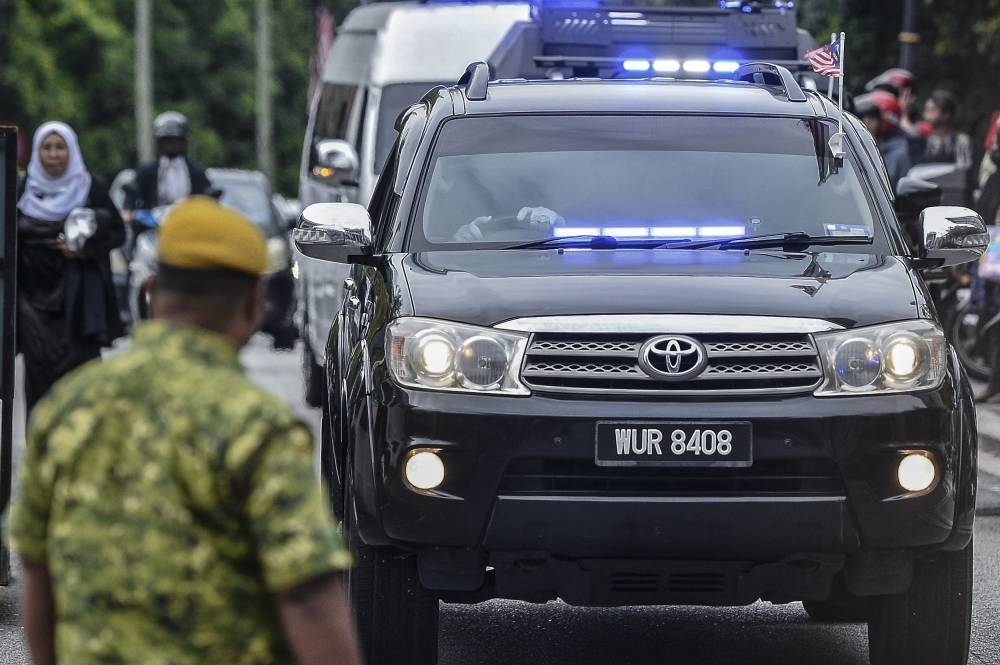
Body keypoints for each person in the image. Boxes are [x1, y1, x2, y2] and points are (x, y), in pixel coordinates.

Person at [9, 196, 363, 665]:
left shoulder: (68, 408)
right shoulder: (257, 429)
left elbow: (37, 569)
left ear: (151, 292)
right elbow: (308, 602)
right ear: (254, 303)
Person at [16, 121, 125, 415]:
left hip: (77, 304)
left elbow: (117, 233)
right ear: (36, 153)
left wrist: (83, 250)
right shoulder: (21, 191)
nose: (53, 154)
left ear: (72, 151)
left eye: (60, 147)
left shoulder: (90, 189)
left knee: (82, 388)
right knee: (38, 389)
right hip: (32, 303)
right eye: (47, 148)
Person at [122, 111, 211, 220]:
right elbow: (133, 194)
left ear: (184, 141)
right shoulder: (146, 171)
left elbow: (206, 196)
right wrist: (128, 211)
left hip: (189, 224)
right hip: (153, 227)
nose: (171, 145)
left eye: (176, 140)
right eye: (167, 141)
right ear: (159, 142)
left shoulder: (197, 172)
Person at [855, 91, 912, 188]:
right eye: (861, 117)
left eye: (871, 117)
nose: (865, 122)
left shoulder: (898, 154)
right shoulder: (852, 147)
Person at [920, 89, 973, 169]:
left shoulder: (961, 141)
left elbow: (963, 172)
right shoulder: (923, 140)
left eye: (932, 110)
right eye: (926, 110)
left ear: (946, 115)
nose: (926, 116)